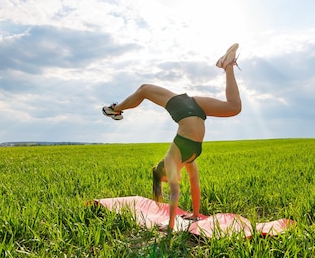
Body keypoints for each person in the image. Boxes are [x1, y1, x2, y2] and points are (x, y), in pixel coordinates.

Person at [102, 43, 241, 230]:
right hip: (195, 107)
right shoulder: (189, 159)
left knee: (144, 89)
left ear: (165, 171)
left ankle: (114, 109)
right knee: (234, 108)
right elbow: (194, 186)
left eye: (168, 179)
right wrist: (195, 214)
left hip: (184, 110)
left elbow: (175, 194)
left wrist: (170, 225)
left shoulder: (171, 159)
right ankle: (228, 64)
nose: (174, 180)